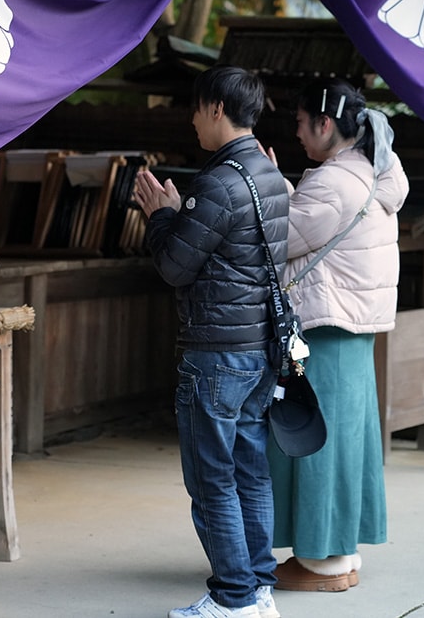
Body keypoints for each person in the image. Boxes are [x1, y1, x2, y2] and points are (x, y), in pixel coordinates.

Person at [133, 65, 289, 618]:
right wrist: (181, 215)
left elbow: (175, 267)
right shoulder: (271, 176)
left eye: (197, 109)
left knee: (212, 478)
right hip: (258, 349)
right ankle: (258, 588)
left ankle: (233, 598)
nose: (194, 120)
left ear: (216, 109)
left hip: (218, 354)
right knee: (249, 469)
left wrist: (161, 217)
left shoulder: (218, 182)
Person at [265, 78, 409, 592]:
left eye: (302, 124)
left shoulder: (331, 182)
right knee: (346, 440)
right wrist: (288, 187)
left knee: (313, 440)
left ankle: (321, 562)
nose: (298, 134)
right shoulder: (373, 172)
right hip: (352, 327)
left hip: (325, 327)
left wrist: (269, 185)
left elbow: (278, 241)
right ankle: (340, 555)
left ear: (326, 124)